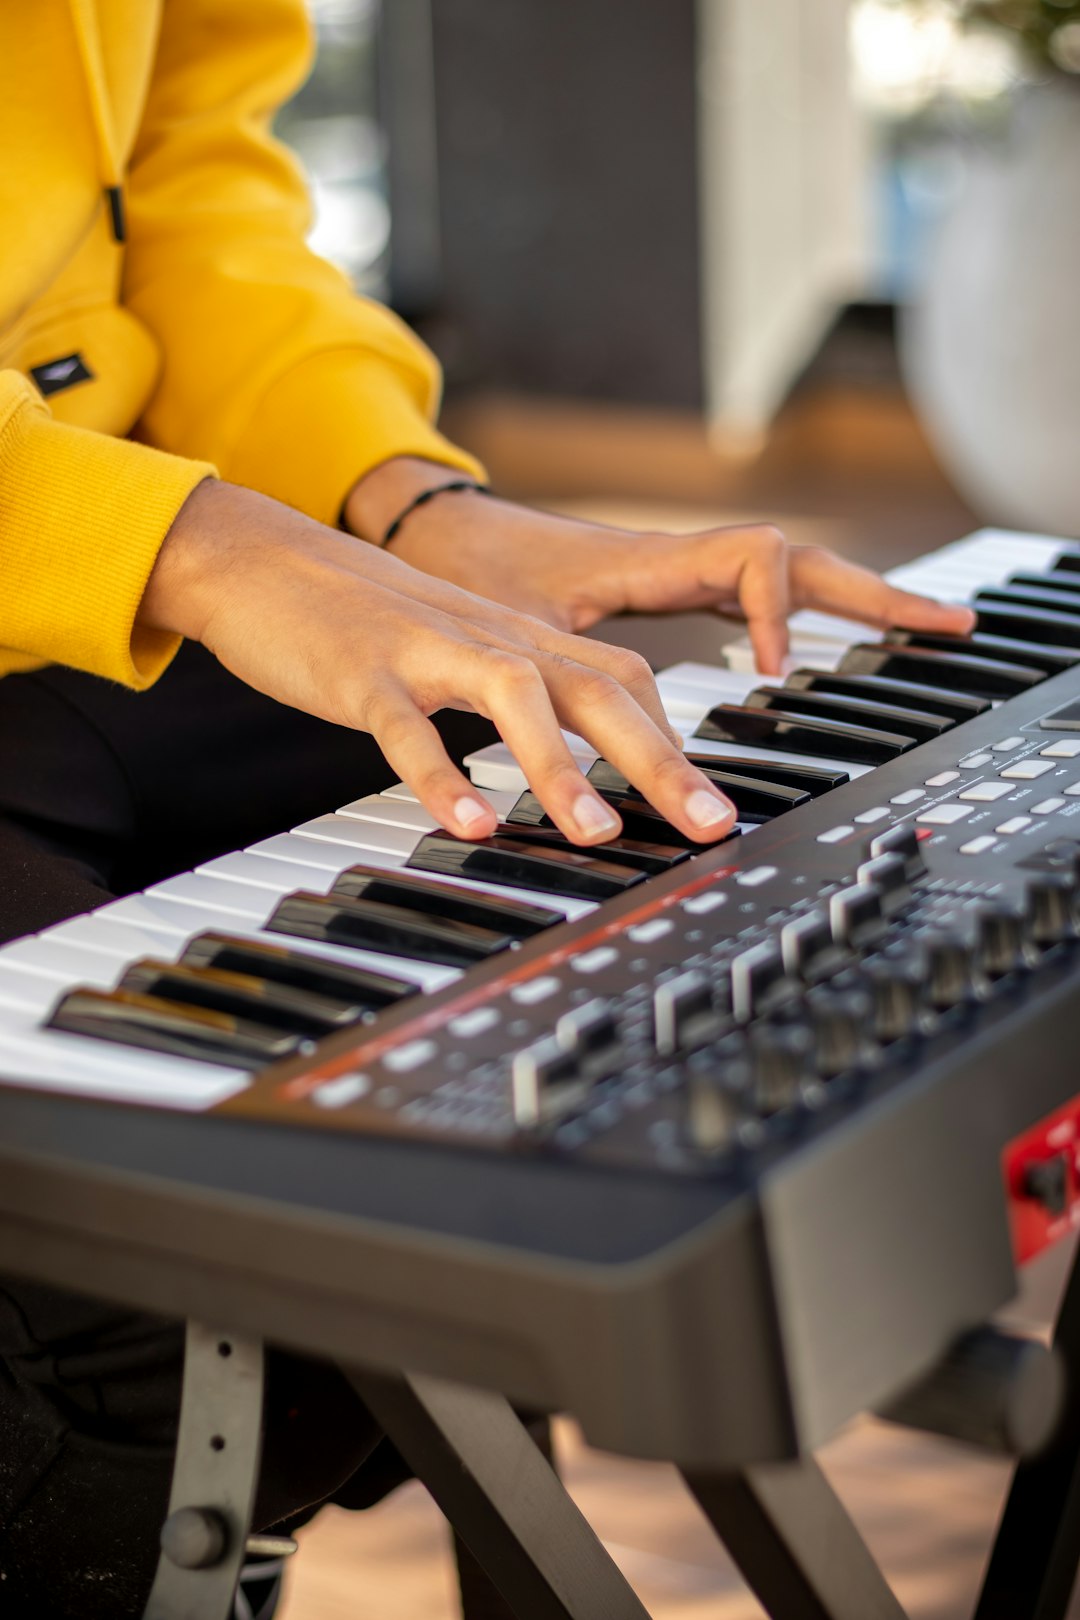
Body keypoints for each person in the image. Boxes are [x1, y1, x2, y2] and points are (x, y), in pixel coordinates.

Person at [0, 3, 976, 1615]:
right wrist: (206, 546)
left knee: (526, 956)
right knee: (93, 1285)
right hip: (121, 529)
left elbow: (178, 186)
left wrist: (410, 504)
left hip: (108, 527)